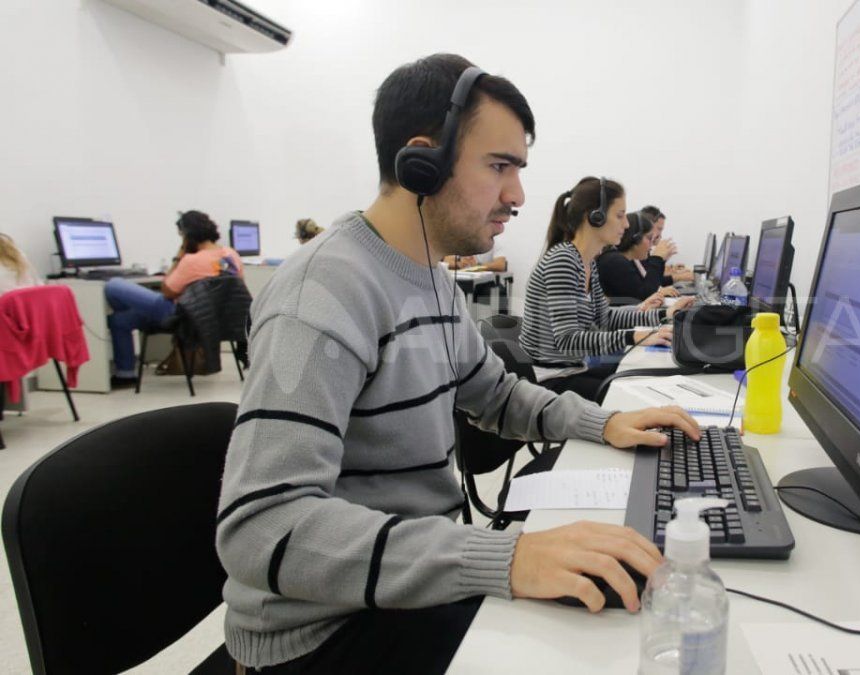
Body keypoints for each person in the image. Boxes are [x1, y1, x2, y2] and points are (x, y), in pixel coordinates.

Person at [215, 54, 699, 674]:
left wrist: (599, 422)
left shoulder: (430, 281)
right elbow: (261, 526)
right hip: (323, 633)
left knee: (613, 616)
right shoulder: (323, 294)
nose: (518, 195)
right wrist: (502, 558)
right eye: (499, 167)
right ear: (423, 161)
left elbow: (495, 394)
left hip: (405, 588)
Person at [519, 176, 694, 401]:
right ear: (595, 216)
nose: (627, 224)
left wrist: (662, 314)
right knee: (640, 401)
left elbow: (604, 318)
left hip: (572, 371)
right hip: (551, 382)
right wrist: (636, 336)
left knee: (650, 381)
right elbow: (568, 340)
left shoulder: (588, 261)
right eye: (620, 216)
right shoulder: (562, 260)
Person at [104, 210, 242, 385]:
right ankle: (125, 373)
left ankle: (126, 373)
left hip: (181, 316)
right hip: (215, 319)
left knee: (113, 285)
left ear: (187, 236)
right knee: (119, 320)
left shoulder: (192, 261)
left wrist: (180, 255)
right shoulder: (231, 255)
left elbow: (167, 291)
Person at [596, 212, 681, 305]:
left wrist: (661, 260)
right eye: (649, 238)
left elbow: (650, 284)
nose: (652, 244)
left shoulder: (626, 259)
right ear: (635, 239)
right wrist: (657, 258)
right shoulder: (614, 261)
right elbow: (646, 296)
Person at [639, 205, 693, 283]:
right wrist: (658, 258)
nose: (660, 235)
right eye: (659, 229)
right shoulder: (638, 253)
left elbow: (653, 279)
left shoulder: (646, 251)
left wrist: (663, 261)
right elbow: (650, 284)